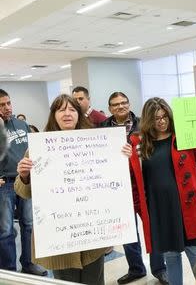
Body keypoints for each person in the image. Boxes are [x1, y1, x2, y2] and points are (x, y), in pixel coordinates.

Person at [14, 94, 132, 284]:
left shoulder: (98, 144)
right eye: (61, 109)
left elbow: (114, 180)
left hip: (92, 234)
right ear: (54, 115)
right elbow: (23, 192)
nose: (67, 113)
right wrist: (24, 176)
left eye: (72, 109)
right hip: (60, 237)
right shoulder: (39, 148)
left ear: (79, 114)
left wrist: (123, 156)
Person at [129, 97, 196, 285]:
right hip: (161, 210)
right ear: (148, 120)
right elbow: (135, 180)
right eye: (156, 118)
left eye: (164, 117)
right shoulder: (140, 144)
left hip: (187, 207)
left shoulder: (184, 136)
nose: (161, 121)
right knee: (171, 256)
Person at [100, 92, 168, 285]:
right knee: (128, 231)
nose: (120, 107)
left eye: (123, 103)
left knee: (152, 227)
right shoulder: (103, 128)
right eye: (115, 104)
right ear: (110, 107)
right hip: (119, 187)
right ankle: (136, 268)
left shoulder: (144, 124)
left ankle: (159, 268)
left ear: (129, 105)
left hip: (144, 184)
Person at [0, 89, 47, 276]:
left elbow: (33, 149)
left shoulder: (21, 124)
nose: (7, 108)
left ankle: (28, 264)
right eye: (1, 105)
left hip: (26, 181)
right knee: (5, 231)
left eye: (8, 103)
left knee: (28, 225)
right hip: (5, 185)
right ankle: (9, 271)